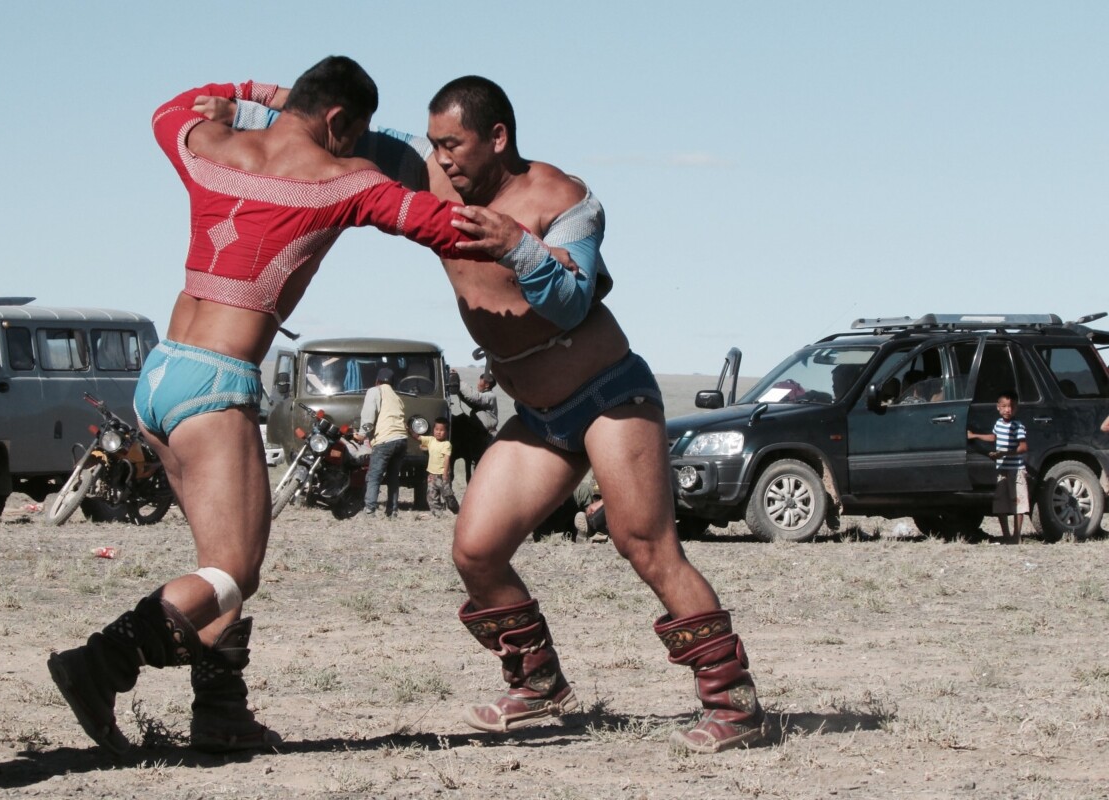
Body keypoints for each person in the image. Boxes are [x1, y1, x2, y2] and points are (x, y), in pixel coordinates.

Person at [224, 75, 765, 753]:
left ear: (498, 138)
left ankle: (734, 702)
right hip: (536, 414)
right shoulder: (427, 175)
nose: (442, 158)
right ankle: (538, 682)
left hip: (606, 395)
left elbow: (570, 299)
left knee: (644, 543)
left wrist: (516, 243)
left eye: (454, 144)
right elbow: (337, 125)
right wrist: (246, 102)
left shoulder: (563, 199)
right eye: (436, 144)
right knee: (477, 550)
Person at [46, 57, 513, 758]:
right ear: (339, 122)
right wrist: (527, 244)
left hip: (163, 371)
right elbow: (443, 224)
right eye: (354, 133)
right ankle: (100, 664)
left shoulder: (206, 147)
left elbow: (172, 106)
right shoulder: (344, 179)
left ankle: (222, 717)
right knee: (235, 571)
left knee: (214, 565)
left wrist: (251, 98)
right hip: (216, 382)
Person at [968, 391, 1028, 543]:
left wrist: (1006, 453)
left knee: (1017, 503)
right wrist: (975, 435)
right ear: (998, 407)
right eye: (1005, 406)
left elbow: (1023, 447)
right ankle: (1006, 535)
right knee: (1000, 502)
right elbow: (994, 437)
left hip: (1016, 469)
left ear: (1016, 408)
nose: (1008, 410)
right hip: (1002, 469)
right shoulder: (998, 424)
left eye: (1011, 407)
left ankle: (1017, 535)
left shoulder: (1018, 426)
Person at [359, 367, 409, 517]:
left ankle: (369, 509)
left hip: (385, 439)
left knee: (374, 475)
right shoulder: (396, 397)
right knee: (394, 476)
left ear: (377, 381)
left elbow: (369, 415)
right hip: (401, 439)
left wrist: (362, 434)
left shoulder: (375, 391)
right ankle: (392, 510)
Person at [411, 416, 459, 517]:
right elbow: (418, 437)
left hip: (442, 475)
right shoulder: (431, 440)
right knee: (431, 495)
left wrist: (446, 473)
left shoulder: (446, 444)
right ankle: (438, 513)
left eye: (441, 430)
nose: (438, 432)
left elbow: (446, 459)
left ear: (446, 432)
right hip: (432, 474)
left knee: (447, 495)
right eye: (436, 429)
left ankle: (456, 509)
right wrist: (410, 430)